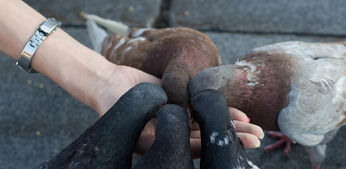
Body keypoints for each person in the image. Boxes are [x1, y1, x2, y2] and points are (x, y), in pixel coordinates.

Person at [0, 0, 264, 156]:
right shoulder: (137, 60)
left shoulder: (201, 57)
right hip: (122, 50)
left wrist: (102, 78)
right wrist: (102, 77)